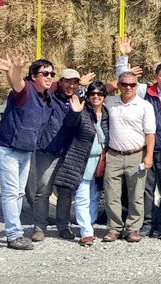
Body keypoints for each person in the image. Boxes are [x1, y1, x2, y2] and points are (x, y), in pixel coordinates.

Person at [115, 37, 161, 238]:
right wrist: (124, 56)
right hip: (146, 149)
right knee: (145, 188)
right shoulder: (145, 91)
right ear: (156, 76)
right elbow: (125, 80)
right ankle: (146, 223)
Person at [0, 56, 61, 250]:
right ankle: (14, 235)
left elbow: (62, 86)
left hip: (25, 152)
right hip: (8, 150)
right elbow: (17, 83)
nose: (50, 77)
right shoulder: (26, 91)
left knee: (20, 193)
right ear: (33, 76)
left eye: (52, 74)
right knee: (11, 194)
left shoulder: (46, 93)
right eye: (45, 73)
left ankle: (15, 233)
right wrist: (14, 69)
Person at [30, 68, 89, 242]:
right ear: (60, 82)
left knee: (66, 192)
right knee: (43, 190)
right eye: (67, 81)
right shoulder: (48, 96)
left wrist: (76, 111)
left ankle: (63, 227)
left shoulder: (80, 100)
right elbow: (34, 85)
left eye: (75, 82)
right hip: (48, 150)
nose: (71, 85)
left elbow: (74, 124)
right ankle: (39, 227)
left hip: (69, 151)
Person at [52, 80, 107, 246]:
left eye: (99, 94)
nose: (95, 96)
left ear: (105, 96)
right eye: (92, 94)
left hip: (99, 163)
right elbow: (69, 124)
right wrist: (75, 112)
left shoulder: (107, 114)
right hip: (81, 161)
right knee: (82, 197)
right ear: (88, 96)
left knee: (95, 197)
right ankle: (86, 232)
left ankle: (89, 225)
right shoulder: (82, 112)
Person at [103, 71, 156, 243]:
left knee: (136, 195)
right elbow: (94, 92)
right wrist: (110, 85)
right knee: (112, 195)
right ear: (118, 85)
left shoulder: (144, 106)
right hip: (114, 155)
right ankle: (114, 228)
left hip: (136, 155)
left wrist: (148, 156)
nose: (128, 88)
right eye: (124, 84)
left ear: (137, 86)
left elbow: (150, 133)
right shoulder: (109, 102)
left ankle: (133, 229)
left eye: (132, 85)